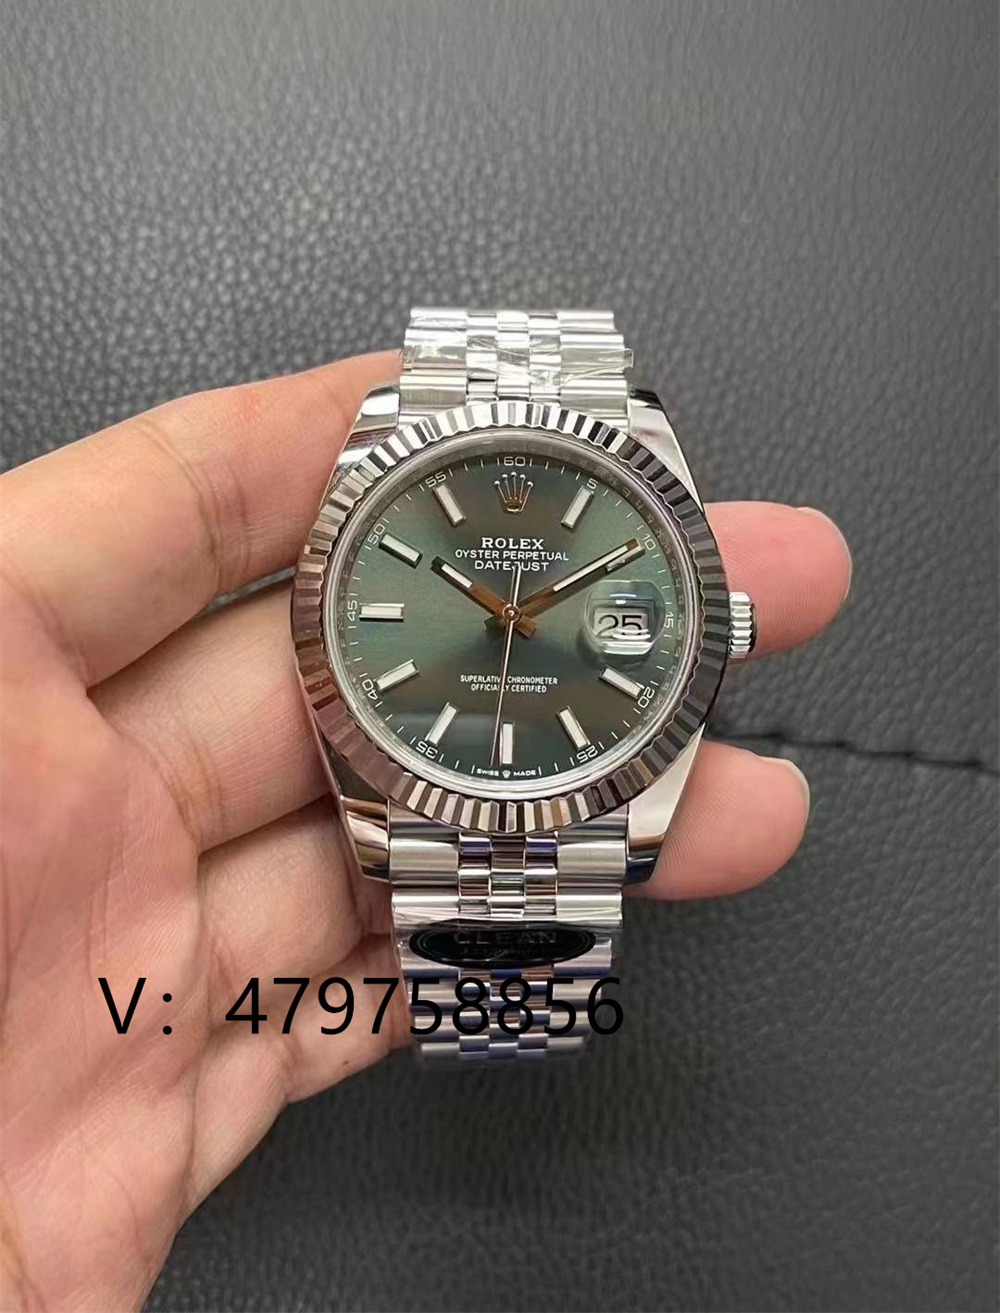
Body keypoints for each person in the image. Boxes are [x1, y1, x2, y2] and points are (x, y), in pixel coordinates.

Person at [0, 349, 851, 1311]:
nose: (513, 620)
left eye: (522, 612)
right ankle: (507, 1021)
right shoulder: (350, 633)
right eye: (500, 611)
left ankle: (510, 1019)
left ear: (720, 625)